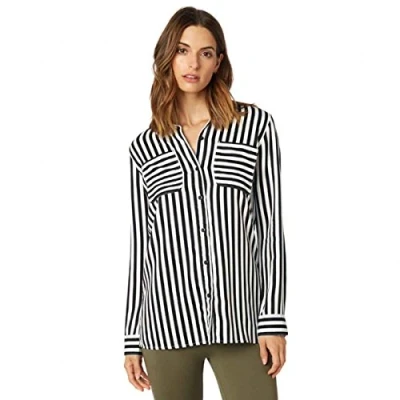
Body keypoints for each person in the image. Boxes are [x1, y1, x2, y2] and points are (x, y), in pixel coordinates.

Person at [123, 6, 288, 400]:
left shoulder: (255, 127)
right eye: (182, 51)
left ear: (219, 62)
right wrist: (131, 337)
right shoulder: (144, 147)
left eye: (206, 53)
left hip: (243, 322)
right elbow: (141, 246)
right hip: (165, 326)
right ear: (168, 57)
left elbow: (271, 227)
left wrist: (273, 319)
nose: (193, 64)